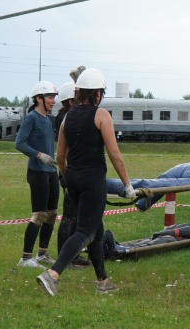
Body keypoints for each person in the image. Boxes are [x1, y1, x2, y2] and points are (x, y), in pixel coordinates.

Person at [36, 68, 136, 296]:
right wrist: (127, 185)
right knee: (85, 231)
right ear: (98, 93)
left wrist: (67, 177)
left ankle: (103, 281)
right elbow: (114, 154)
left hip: (72, 177)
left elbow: (61, 156)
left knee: (96, 230)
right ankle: (52, 274)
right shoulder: (102, 116)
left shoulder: (67, 118)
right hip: (93, 178)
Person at [14, 80, 60, 269]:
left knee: (52, 214)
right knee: (39, 214)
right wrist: (39, 155)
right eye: (50, 97)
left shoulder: (48, 120)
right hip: (37, 172)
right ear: (39, 99)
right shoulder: (31, 118)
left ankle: (42, 254)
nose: (53, 101)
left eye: (54, 97)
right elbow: (19, 142)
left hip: (51, 172)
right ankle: (25, 259)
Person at [53, 80, 91, 268]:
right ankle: (64, 257)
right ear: (70, 101)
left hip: (70, 171)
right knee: (69, 217)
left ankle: (71, 256)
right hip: (69, 172)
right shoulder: (68, 118)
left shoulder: (67, 116)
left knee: (75, 216)